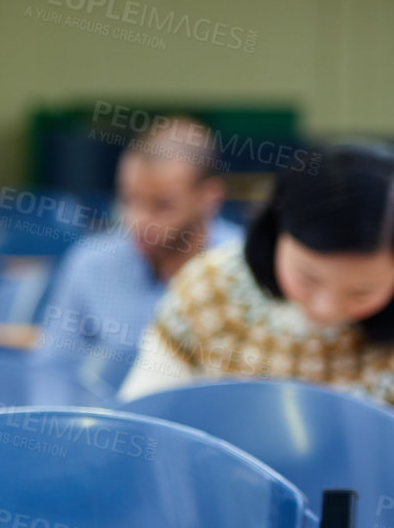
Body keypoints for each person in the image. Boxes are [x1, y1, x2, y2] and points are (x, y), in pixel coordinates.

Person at [120, 143, 394, 457]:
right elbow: (138, 426)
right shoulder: (210, 288)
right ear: (277, 228)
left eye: (362, 292)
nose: (324, 308)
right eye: (307, 278)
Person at [33, 115, 240, 389]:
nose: (138, 220)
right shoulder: (90, 264)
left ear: (209, 198)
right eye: (129, 198)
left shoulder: (245, 269)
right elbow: (52, 376)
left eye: (162, 205)